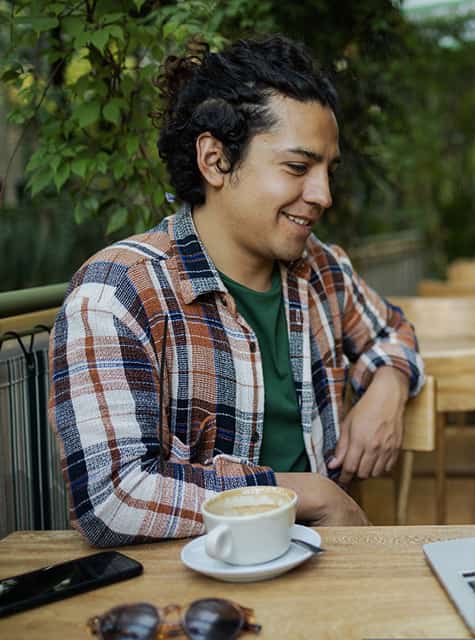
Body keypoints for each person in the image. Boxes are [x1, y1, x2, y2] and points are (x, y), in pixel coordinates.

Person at [48, 35, 424, 547]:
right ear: (216, 160)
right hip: (190, 593)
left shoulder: (321, 269)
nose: (323, 195)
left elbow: (393, 332)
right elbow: (114, 497)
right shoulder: (116, 294)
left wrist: (388, 388)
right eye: (298, 167)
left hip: (330, 572)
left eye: (327, 171)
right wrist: (308, 495)